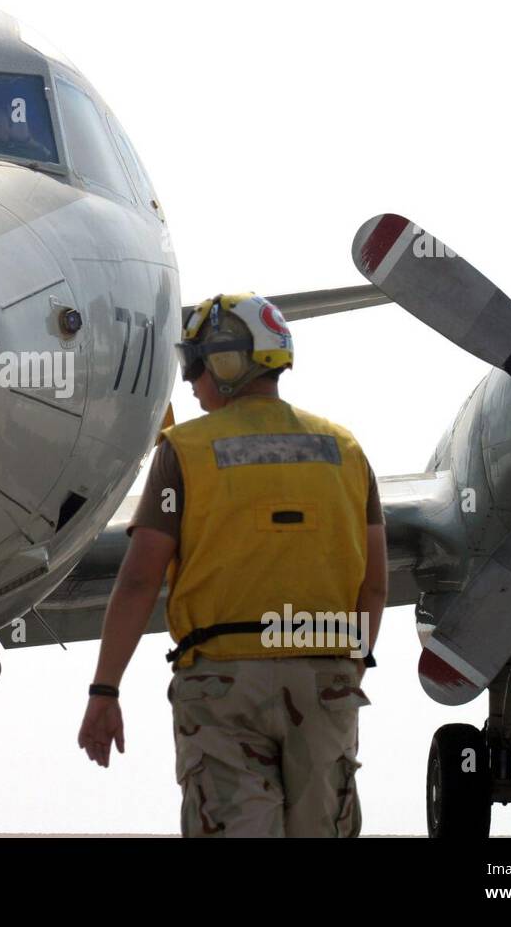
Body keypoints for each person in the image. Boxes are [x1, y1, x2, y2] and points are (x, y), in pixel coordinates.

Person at [77, 293, 388, 837]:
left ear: (223, 363)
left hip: (223, 685)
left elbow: (139, 579)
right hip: (327, 675)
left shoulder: (184, 449)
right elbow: (376, 586)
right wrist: (347, 668)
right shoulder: (346, 449)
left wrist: (105, 689)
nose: (190, 383)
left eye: (194, 365)